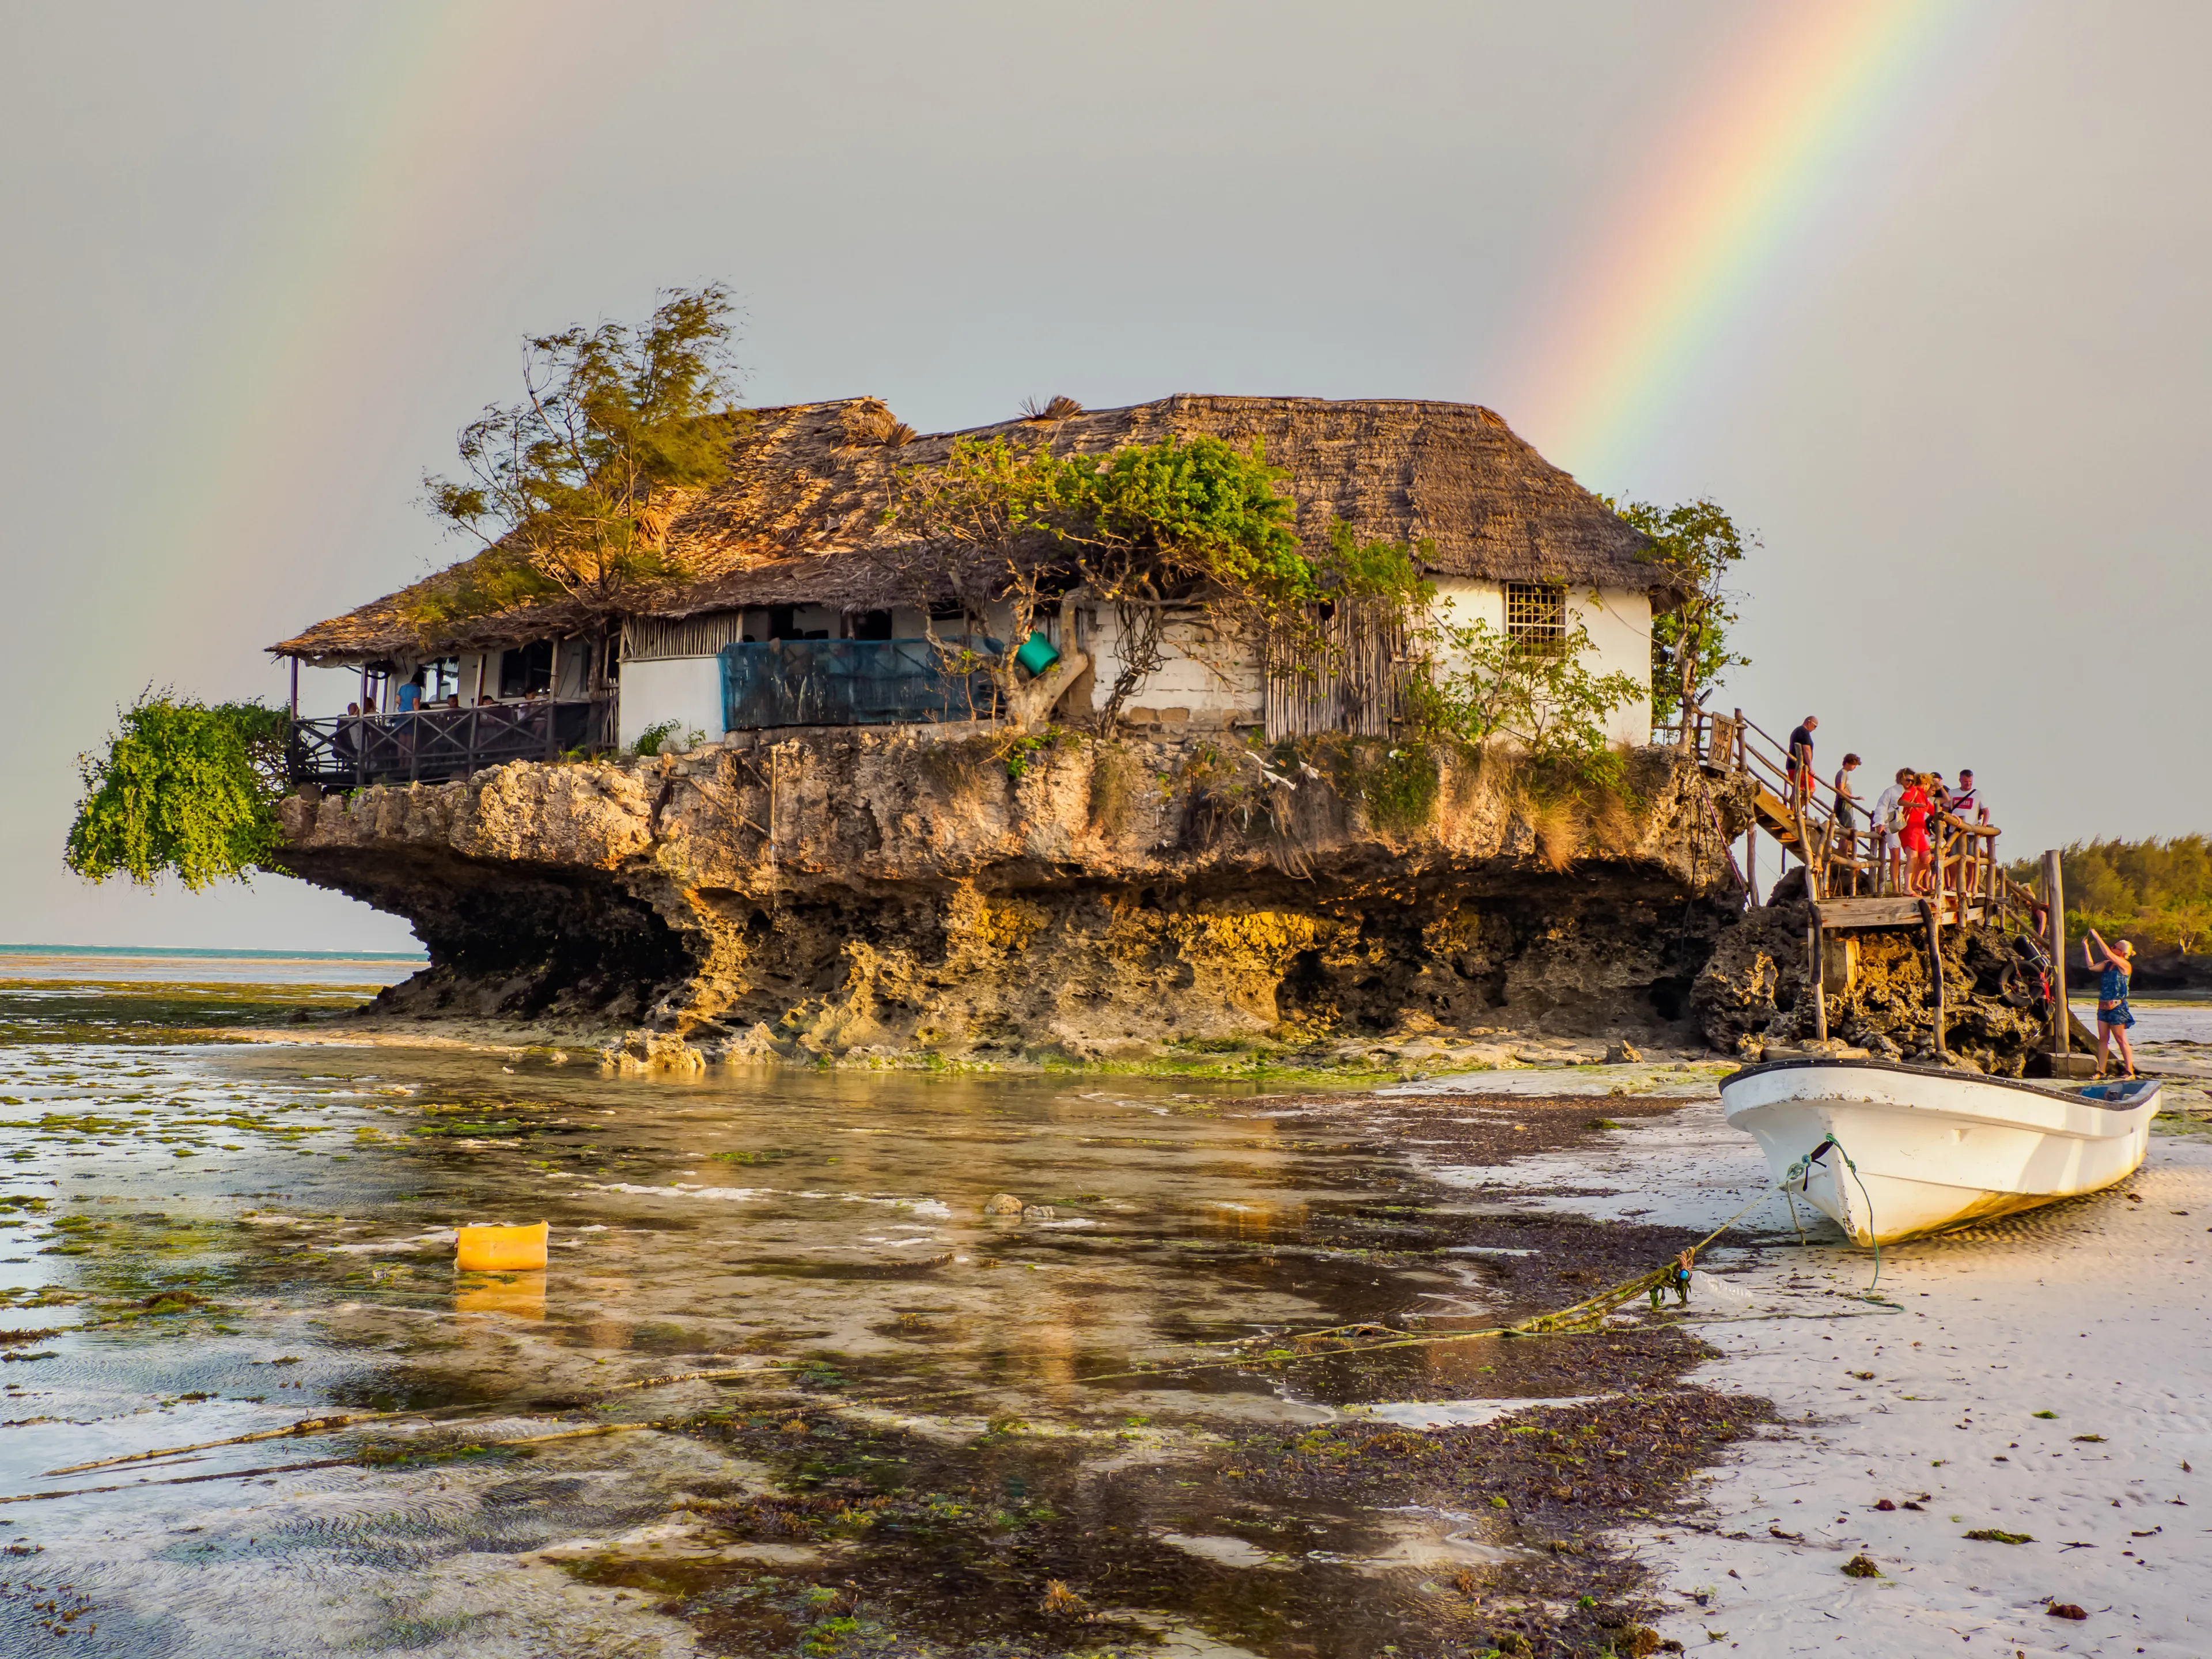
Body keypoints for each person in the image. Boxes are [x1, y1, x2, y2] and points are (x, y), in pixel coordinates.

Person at [2084, 929, 2137, 1079]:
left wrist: (2097, 937)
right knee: (2103, 1039)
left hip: (2117, 1008)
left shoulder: (2125, 965)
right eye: (2112, 946)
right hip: (2103, 1007)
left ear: (2121, 953)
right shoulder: (2108, 965)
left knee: (2120, 1039)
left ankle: (2129, 1071)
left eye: (2115, 947)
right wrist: (2086, 947)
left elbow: (2107, 953)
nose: (2112, 948)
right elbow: (2091, 967)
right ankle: (2101, 1071)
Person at [1872, 767, 1910, 894]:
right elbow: (1882, 807)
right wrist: (1880, 823)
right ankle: (1895, 887)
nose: (1910, 782)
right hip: (1893, 826)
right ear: (1901, 778)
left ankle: (1909, 886)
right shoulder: (1891, 791)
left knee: (1912, 856)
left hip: (1908, 826)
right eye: (1907, 780)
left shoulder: (1913, 793)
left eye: (1912, 780)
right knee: (1895, 856)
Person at [1899, 771, 1934, 895]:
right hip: (1910, 829)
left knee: (1927, 858)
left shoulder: (1924, 796)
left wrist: (1951, 816)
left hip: (1920, 830)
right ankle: (1907, 888)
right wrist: (1914, 805)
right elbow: (1901, 802)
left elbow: (1933, 811)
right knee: (1912, 858)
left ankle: (1915, 883)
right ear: (1926, 784)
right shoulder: (1913, 790)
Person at [1831, 752, 1863, 888]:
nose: (1855, 768)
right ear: (1849, 763)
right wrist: (1854, 798)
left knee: (1848, 830)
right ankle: (1843, 854)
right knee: (1846, 830)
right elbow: (1840, 789)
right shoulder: (1842, 773)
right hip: (1843, 804)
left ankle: (1844, 853)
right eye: (1854, 765)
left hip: (1847, 804)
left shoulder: (1845, 774)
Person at [1786, 715, 1818, 810]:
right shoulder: (1804, 732)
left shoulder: (1797, 731)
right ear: (1809, 722)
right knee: (1811, 788)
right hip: (1799, 767)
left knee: (1798, 788)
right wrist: (1810, 767)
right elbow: (1807, 750)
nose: (1814, 729)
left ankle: (1793, 810)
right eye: (1815, 726)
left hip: (1792, 766)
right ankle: (1797, 810)